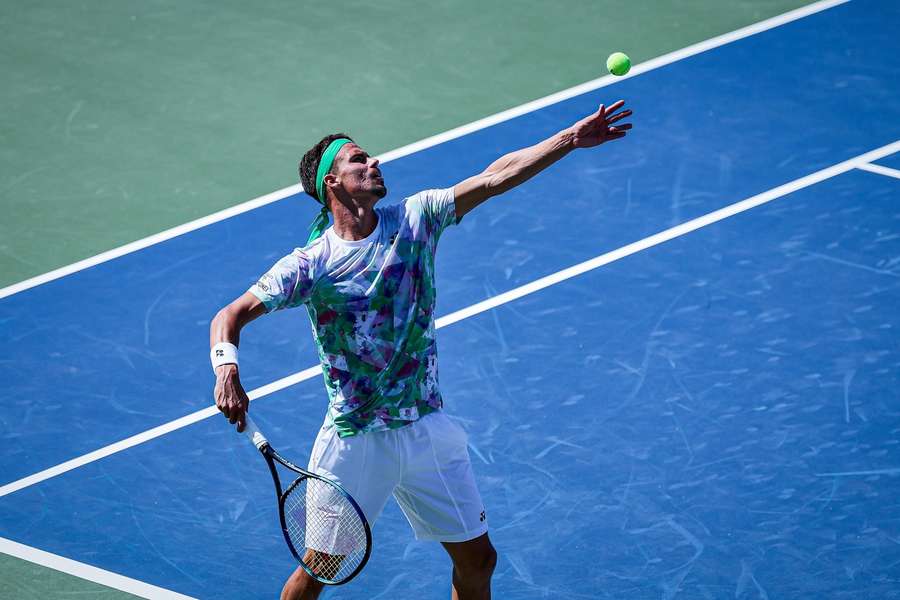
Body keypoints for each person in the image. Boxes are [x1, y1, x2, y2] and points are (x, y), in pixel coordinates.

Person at [210, 100, 632, 599]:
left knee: (479, 559)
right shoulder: (311, 264)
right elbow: (229, 316)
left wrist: (568, 139)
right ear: (332, 182)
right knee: (319, 570)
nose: (374, 162)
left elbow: (494, 178)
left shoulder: (415, 218)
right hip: (357, 439)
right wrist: (227, 370)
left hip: (425, 426)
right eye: (359, 160)